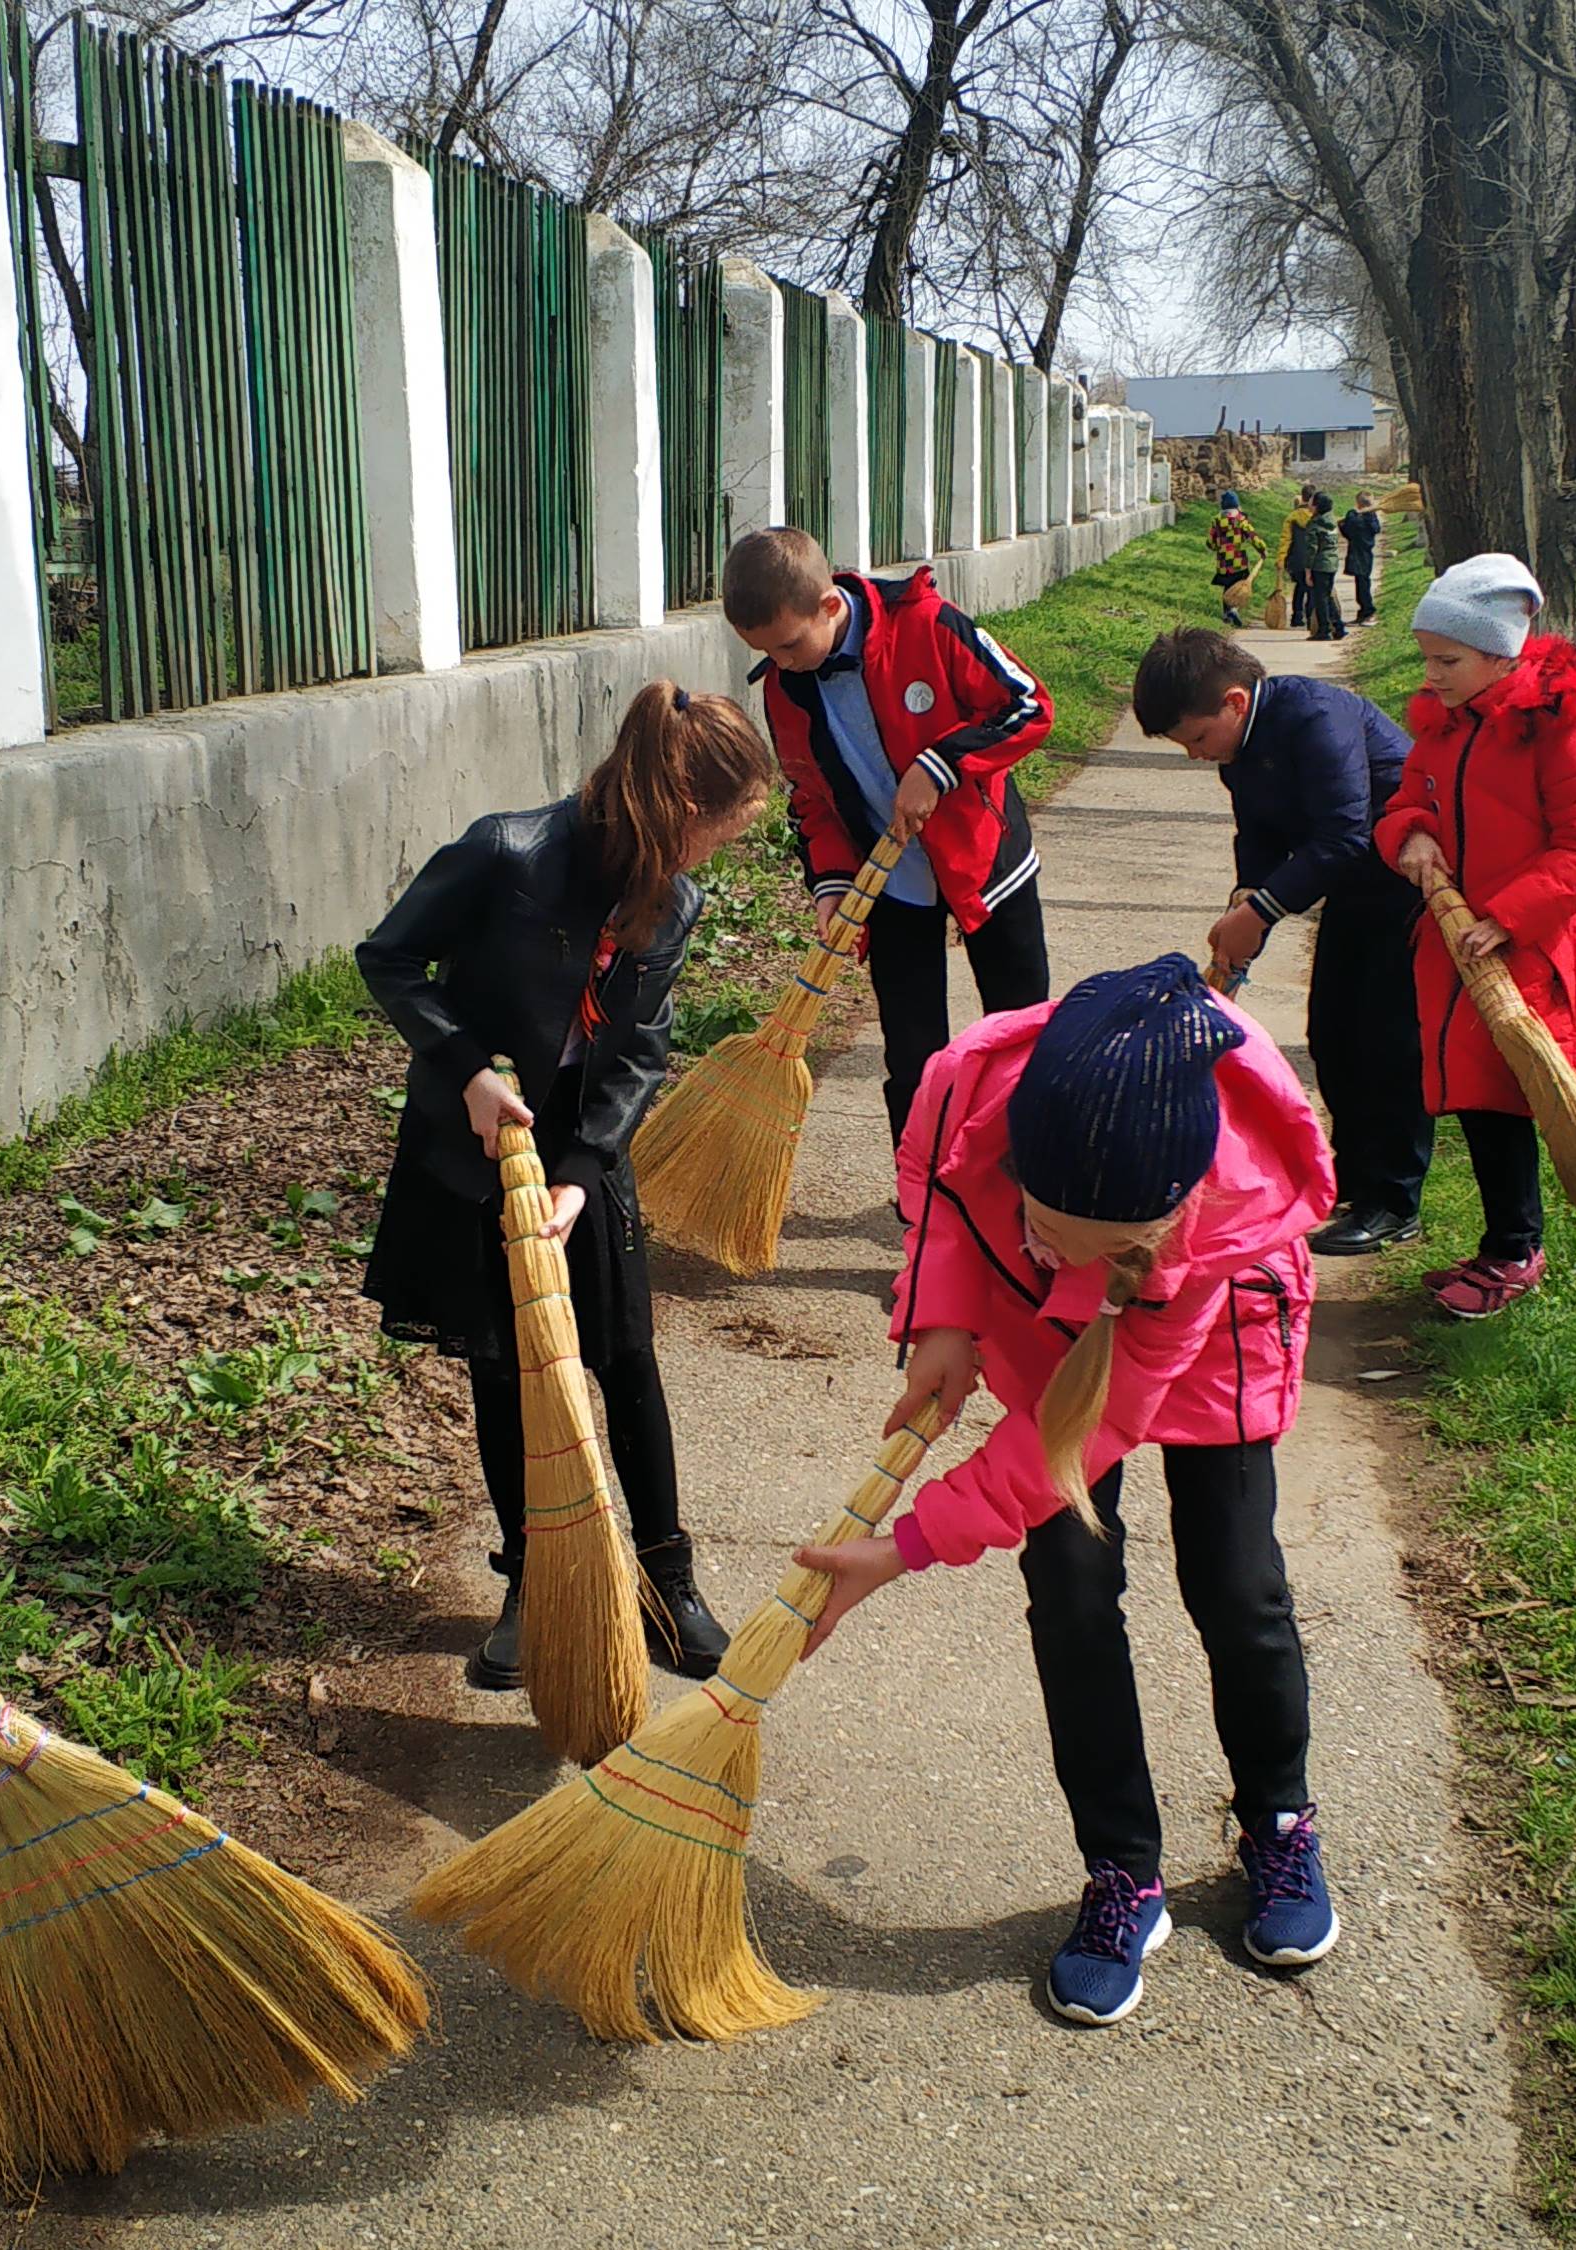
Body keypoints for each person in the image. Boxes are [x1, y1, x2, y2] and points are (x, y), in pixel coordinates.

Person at [794, 957, 1340, 2028]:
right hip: (1044, 1339)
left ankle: (1278, 1821)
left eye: (1085, 1251)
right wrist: (942, 1316)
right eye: (1041, 1231)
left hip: (1210, 1332)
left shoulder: (1214, 1211)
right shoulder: (967, 1086)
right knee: (1074, 1597)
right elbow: (936, 1200)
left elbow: (1081, 1439)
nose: (1053, 1256)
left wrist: (903, 1547)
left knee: (1237, 1587)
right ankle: (1122, 1874)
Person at [359, 682, 776, 1690]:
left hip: (583, 1157)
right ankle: (533, 1579)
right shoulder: (506, 856)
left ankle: (667, 1582)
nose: (723, 848)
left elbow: (639, 1045)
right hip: (476, 1158)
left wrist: (587, 1169)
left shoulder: (673, 897)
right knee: (506, 1366)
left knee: (624, 1356)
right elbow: (390, 959)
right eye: (723, 826)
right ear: (679, 802)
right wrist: (466, 1069)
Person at [725, 524, 1055, 1152]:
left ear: (828, 606)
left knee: (1021, 1034)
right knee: (911, 1054)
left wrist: (940, 766)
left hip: (989, 863)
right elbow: (809, 801)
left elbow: (1029, 705)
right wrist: (829, 887)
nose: (785, 664)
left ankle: (1027, 1181)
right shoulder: (783, 687)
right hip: (892, 886)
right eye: (769, 654)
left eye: (792, 645)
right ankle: (922, 1194)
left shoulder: (927, 624)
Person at [1371, 554, 1576, 1321]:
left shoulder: (1558, 732)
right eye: (1428, 660)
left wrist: (1505, 917)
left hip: (1529, 952)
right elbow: (1406, 799)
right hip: (1465, 948)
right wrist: (1410, 835)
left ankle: (1517, 1249)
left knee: (1517, 1097)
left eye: (1447, 660)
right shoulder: (1448, 727)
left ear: (1496, 653)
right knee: (1480, 1099)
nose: (1432, 675)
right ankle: (1502, 1245)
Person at [1133, 627, 1431, 1256]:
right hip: (1352, 891)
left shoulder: (1316, 719)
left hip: (1405, 887)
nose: (1195, 756)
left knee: (1388, 1046)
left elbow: (1346, 836)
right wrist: (1248, 897)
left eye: (1196, 739)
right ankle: (1352, 1177)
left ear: (1234, 703)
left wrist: (1264, 910)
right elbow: (1261, 836)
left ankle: (1395, 1201)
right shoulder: (1240, 749)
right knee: (1332, 1035)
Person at [1283, 488, 1342, 641]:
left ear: (1316, 506)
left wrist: (1308, 571)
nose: (1308, 504)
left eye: (1311, 502)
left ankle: (1324, 630)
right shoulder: (1332, 521)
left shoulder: (1314, 525)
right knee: (1328, 595)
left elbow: (1312, 550)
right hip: (1332, 564)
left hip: (1319, 565)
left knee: (1319, 598)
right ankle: (1338, 627)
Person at [1206, 491, 1269, 628]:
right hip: (1238, 560)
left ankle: (1226, 614)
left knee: (1227, 587)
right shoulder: (1240, 519)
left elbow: (1210, 541)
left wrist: (1216, 546)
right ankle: (1234, 609)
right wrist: (1262, 549)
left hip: (1223, 561)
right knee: (1238, 586)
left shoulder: (1216, 520)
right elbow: (1252, 536)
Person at [1339, 492, 1384, 624]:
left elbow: (1348, 531)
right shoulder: (1371, 517)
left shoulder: (1354, 517)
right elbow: (1376, 529)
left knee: (1363, 583)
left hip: (1358, 552)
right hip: (1366, 553)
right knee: (1361, 582)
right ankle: (1363, 612)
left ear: (1358, 503)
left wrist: (1343, 523)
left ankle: (1368, 611)